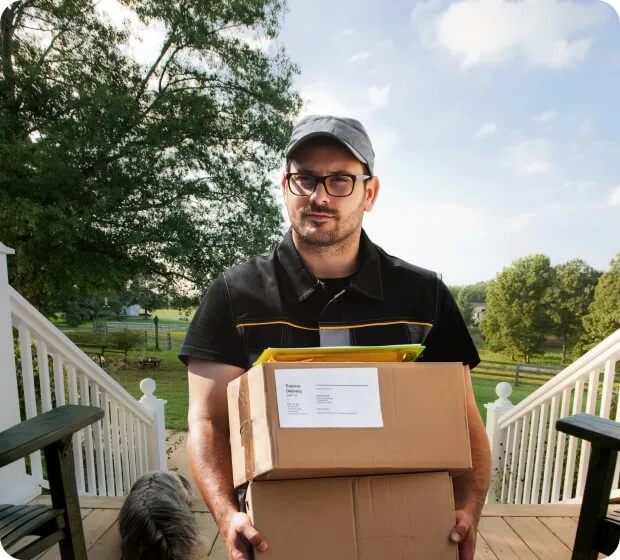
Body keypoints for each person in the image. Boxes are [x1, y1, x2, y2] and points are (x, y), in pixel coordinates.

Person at [180, 114, 492, 560]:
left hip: (405, 531)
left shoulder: (424, 296)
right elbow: (208, 423)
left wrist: (467, 507)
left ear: (371, 192)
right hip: (281, 533)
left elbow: (464, 420)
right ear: (285, 186)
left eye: (340, 180)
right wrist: (228, 515)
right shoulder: (234, 293)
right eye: (304, 179)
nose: (319, 196)